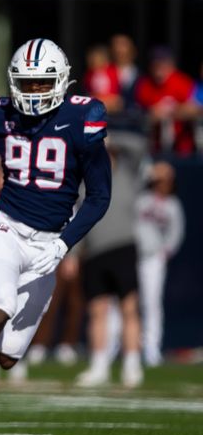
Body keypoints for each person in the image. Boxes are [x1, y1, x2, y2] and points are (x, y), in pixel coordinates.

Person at [0, 39, 112, 435]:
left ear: (61, 81)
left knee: (7, 355)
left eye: (41, 83)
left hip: (49, 243)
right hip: (6, 227)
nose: (33, 92)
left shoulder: (83, 118)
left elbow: (100, 196)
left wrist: (65, 242)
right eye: (27, 83)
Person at [75, 130, 146, 388]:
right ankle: (99, 366)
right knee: (97, 311)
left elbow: (140, 144)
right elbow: (77, 219)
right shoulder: (84, 181)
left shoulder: (127, 172)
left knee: (129, 308)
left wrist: (109, 137)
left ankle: (132, 365)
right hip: (94, 253)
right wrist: (72, 254)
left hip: (123, 248)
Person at [135, 161, 185, 367]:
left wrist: (165, 252)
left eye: (167, 180)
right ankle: (115, 347)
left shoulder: (173, 205)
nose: (163, 184)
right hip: (132, 255)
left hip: (153, 259)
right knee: (122, 302)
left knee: (151, 303)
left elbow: (177, 233)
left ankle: (151, 348)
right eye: (160, 180)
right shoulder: (141, 199)